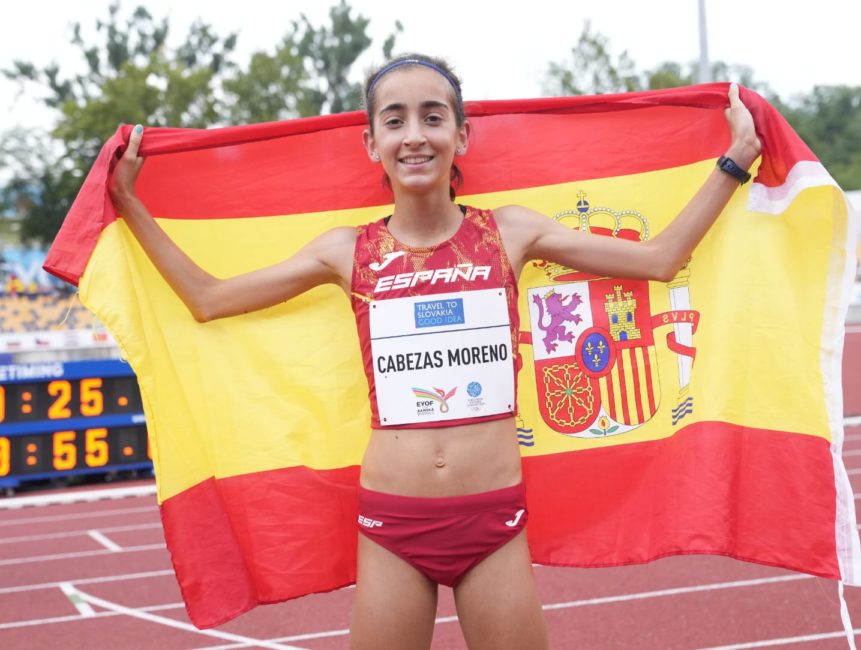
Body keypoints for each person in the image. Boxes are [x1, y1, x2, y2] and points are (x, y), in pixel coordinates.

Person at [109, 53, 761, 650]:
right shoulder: (346, 250)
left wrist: (734, 160)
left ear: (461, 136)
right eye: (394, 120)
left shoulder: (511, 232)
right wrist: (129, 203)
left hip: (494, 520)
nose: (414, 134)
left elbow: (660, 258)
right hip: (393, 525)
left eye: (432, 116)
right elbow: (208, 298)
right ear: (372, 143)